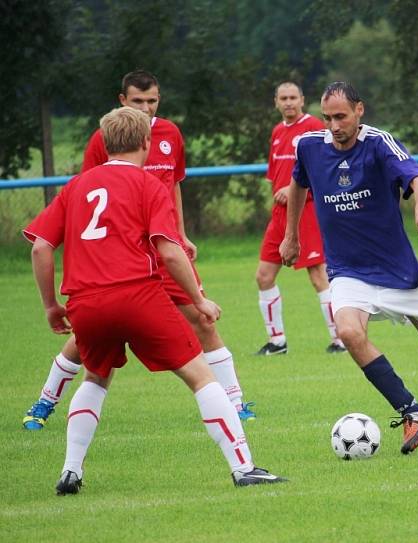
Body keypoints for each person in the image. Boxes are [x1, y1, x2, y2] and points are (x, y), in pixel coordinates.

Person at [24, 107, 284, 494]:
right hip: (137, 294)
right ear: (146, 142)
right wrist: (199, 300)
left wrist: (49, 306)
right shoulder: (149, 186)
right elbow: (170, 249)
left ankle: (71, 471)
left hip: (86, 302)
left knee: (95, 378)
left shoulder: (77, 186)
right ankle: (243, 467)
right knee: (200, 376)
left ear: (104, 143)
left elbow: (41, 248)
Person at [280, 82, 418, 454]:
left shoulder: (379, 143)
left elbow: (416, 177)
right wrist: (292, 236)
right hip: (348, 270)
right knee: (349, 333)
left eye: (341, 116)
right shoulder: (309, 146)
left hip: (398, 271)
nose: (334, 125)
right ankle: (412, 412)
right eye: (327, 117)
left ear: (359, 110)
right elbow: (297, 185)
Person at [22, 70, 256, 430]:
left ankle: (236, 402)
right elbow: (88, 195)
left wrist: (181, 233)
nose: (146, 109)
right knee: (86, 336)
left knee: (203, 319)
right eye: (138, 102)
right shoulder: (108, 137)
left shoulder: (170, 134)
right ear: (122, 101)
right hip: (124, 254)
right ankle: (45, 401)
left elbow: (174, 185)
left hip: (166, 247)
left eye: (152, 101)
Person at [255, 81, 345, 356]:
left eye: (293, 97)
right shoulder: (278, 131)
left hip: (306, 211)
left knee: (318, 275)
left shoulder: (315, 127)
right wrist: (279, 191)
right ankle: (277, 341)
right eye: (283, 98)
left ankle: (340, 339)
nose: (288, 102)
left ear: (302, 100)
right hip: (279, 216)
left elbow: (328, 171)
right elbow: (274, 174)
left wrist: (293, 190)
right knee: (264, 276)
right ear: (276, 102)